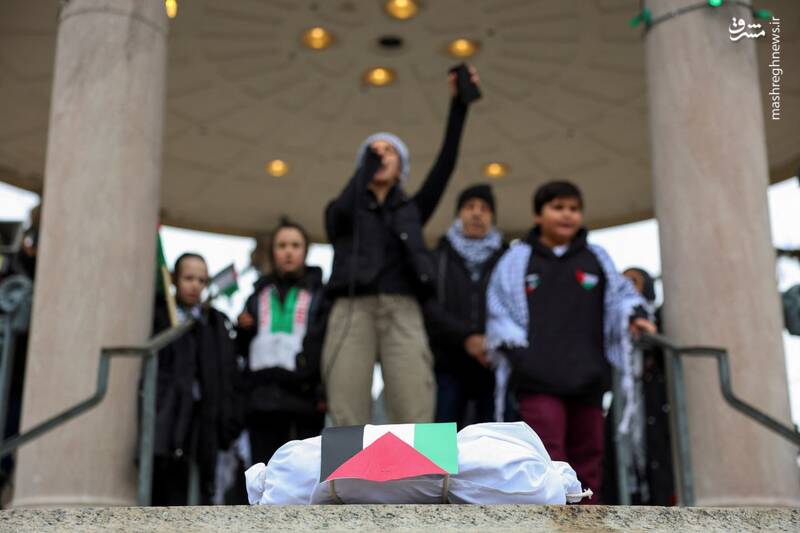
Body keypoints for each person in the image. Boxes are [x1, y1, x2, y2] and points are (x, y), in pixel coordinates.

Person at [322, 66, 480, 426]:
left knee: (415, 403)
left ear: (402, 167)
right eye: (373, 152)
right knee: (346, 405)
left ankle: (417, 466)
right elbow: (336, 220)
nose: (380, 156)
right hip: (351, 309)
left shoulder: (412, 209)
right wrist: (363, 173)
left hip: (403, 308)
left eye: (389, 151)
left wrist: (459, 106)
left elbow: (445, 165)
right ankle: (349, 467)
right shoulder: (344, 208)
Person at [486, 181, 656, 499]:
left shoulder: (596, 258)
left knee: (589, 461)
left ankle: (588, 520)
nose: (567, 215)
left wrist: (634, 317)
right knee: (547, 460)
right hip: (537, 383)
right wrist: (525, 360)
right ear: (538, 215)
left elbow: (621, 298)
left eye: (574, 209)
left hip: (588, 381)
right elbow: (499, 312)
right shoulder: (516, 260)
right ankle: (550, 520)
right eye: (558, 208)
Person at [150, 253, 242, 505]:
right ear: (174, 279)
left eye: (201, 280)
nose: (195, 285)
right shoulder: (160, 315)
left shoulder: (214, 322)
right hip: (168, 420)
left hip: (202, 421)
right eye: (188, 278)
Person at [237, 219, 326, 465]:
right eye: (282, 245)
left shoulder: (321, 294)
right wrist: (243, 330)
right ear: (273, 252)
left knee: (304, 472)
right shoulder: (257, 294)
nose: (288, 252)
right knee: (264, 472)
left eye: (295, 245)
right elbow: (243, 349)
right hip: (262, 400)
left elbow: (326, 345)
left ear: (305, 251)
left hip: (304, 400)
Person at [423, 183, 506, 428]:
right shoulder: (437, 257)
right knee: (441, 442)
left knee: (494, 440)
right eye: (470, 207)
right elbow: (428, 306)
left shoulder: (508, 259)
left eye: (484, 209)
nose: (477, 213)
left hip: (494, 366)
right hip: (446, 365)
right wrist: (466, 337)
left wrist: (490, 343)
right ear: (459, 214)